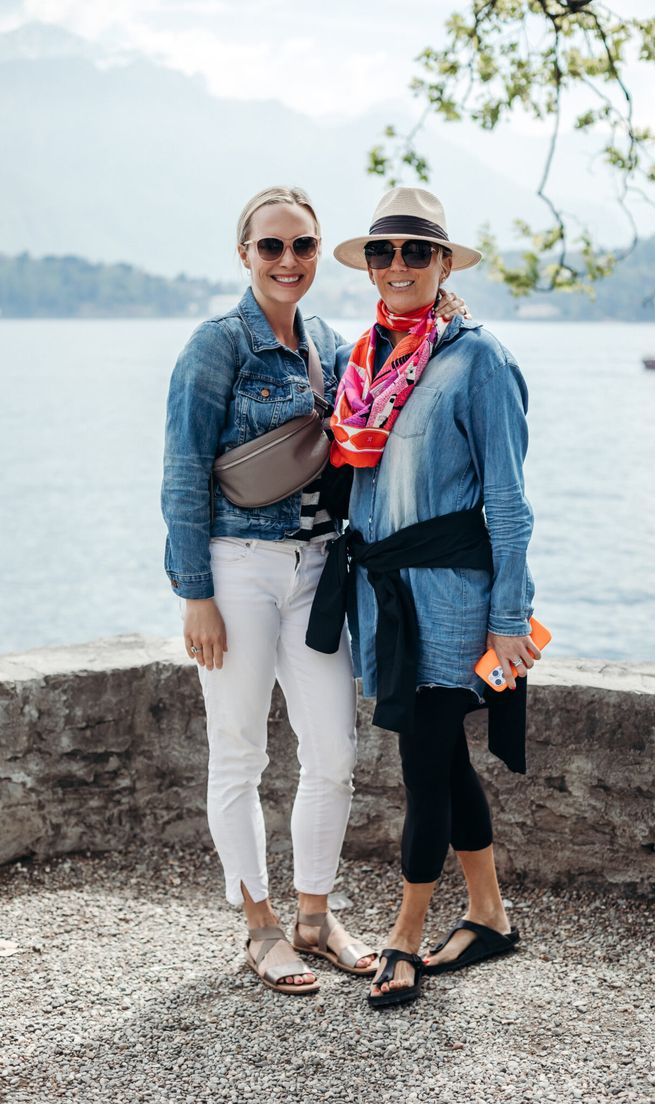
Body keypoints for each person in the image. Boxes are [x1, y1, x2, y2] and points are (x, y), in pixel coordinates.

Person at [161, 185, 464, 996]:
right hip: (238, 568)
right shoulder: (216, 345)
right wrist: (195, 593)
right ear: (245, 255)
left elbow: (381, 419)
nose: (288, 261)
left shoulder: (333, 342)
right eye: (271, 247)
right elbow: (184, 474)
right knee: (240, 750)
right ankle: (260, 927)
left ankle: (313, 915)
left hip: (318, 570)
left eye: (302, 246)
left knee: (333, 752)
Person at [307, 186, 539, 1008]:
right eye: (383, 251)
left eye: (415, 251)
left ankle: (404, 938)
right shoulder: (364, 361)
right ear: (370, 265)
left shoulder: (480, 361)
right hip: (383, 594)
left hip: (450, 599)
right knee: (441, 753)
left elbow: (509, 502)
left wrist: (511, 616)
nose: (397, 265)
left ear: (443, 264)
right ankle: (489, 914)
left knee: (423, 763)